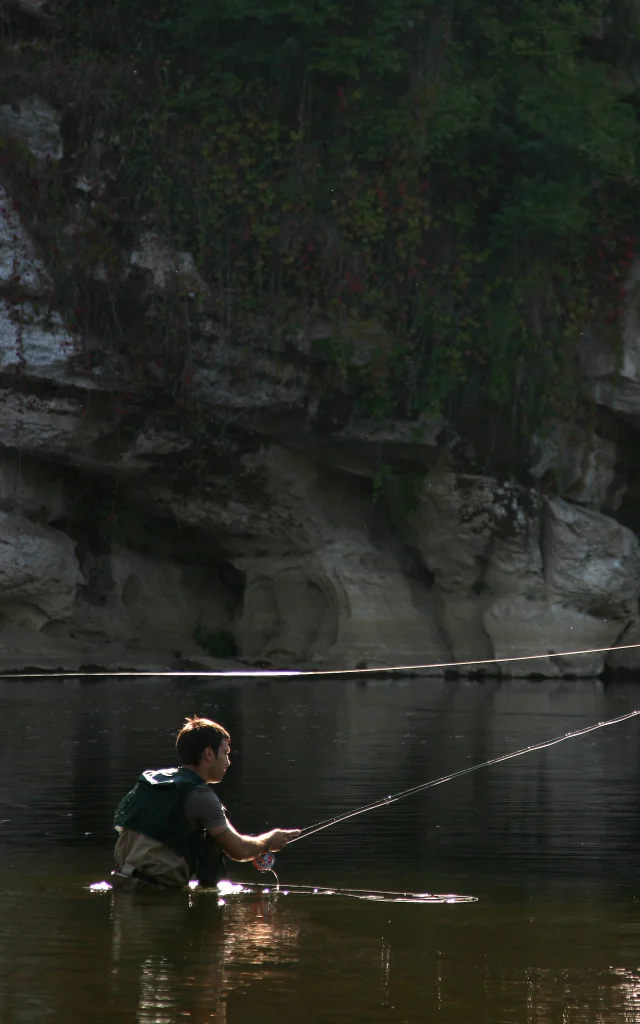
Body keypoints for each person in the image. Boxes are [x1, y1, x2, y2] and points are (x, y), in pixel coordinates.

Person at [112, 716, 300, 890]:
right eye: (225, 753)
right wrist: (268, 841)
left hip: (122, 884)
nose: (228, 762)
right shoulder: (200, 795)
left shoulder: (152, 783)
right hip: (156, 895)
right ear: (209, 753)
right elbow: (239, 850)